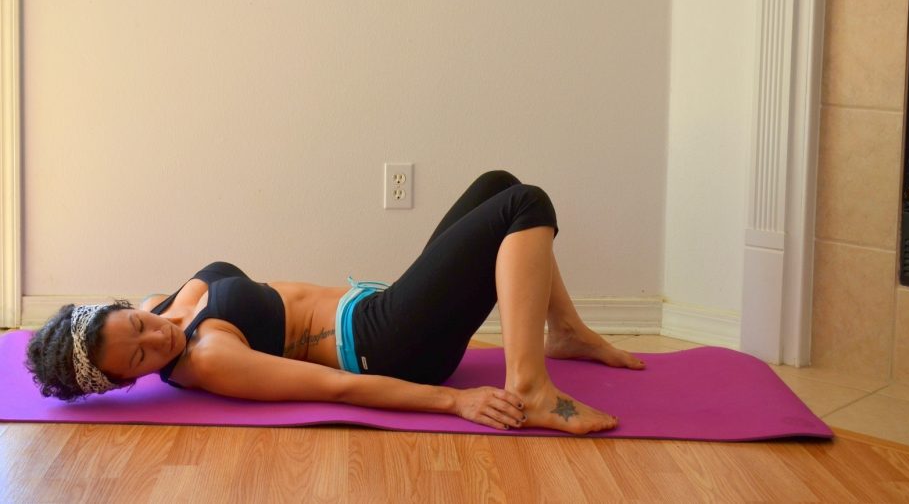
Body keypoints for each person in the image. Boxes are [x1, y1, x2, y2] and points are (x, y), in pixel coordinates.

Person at [25, 171, 645, 435]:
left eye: (136, 325)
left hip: (381, 310)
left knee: (498, 186)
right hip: (388, 346)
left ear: (123, 305)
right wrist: (456, 401)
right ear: (126, 381)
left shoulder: (160, 306)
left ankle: (563, 331)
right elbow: (333, 390)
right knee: (524, 205)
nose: (154, 339)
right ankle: (530, 384)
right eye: (137, 358)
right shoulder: (208, 357)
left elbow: (128, 326)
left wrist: (105, 334)